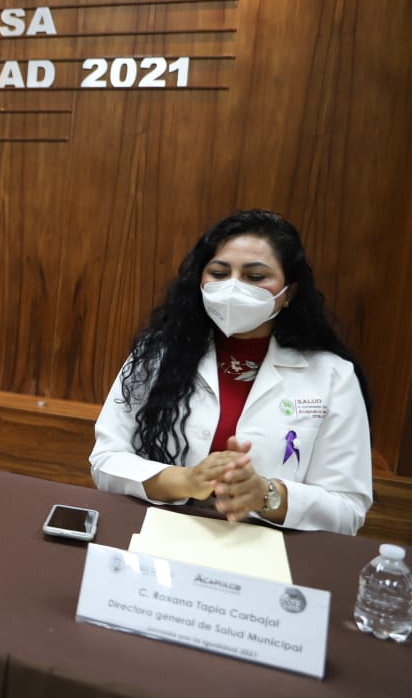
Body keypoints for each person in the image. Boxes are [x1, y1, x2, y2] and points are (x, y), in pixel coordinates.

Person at [89, 210, 372, 535]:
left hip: (268, 548)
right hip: (162, 534)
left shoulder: (333, 376)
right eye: (219, 273)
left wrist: (266, 495)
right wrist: (184, 480)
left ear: (289, 292)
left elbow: (348, 510)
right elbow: (105, 460)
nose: (233, 287)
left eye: (255, 276)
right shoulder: (157, 353)